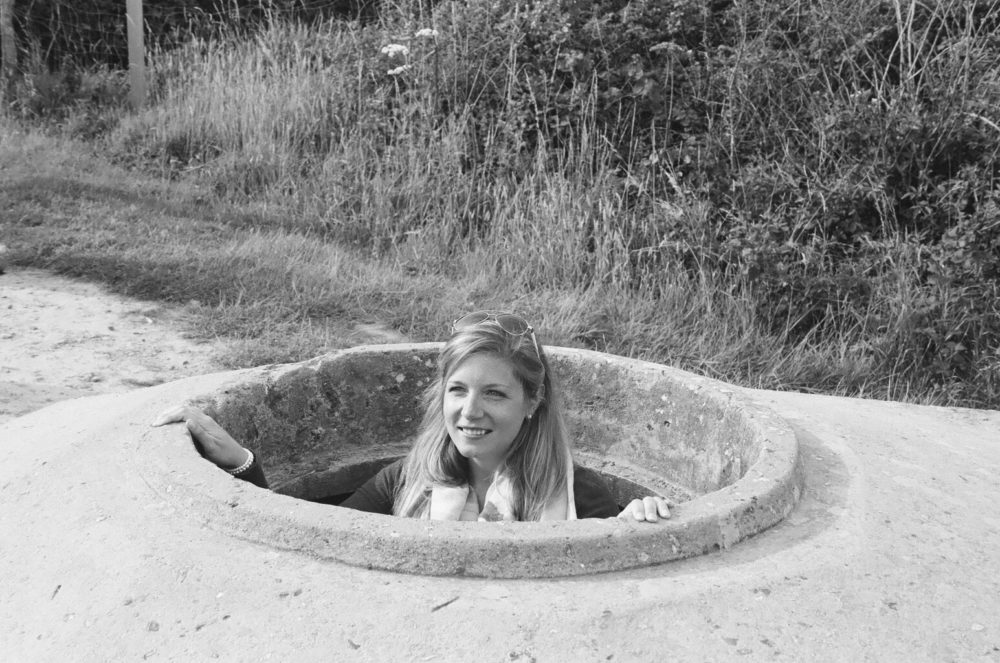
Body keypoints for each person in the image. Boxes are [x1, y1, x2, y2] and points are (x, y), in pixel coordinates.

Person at [154, 311, 671, 522]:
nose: (470, 412)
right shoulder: (408, 478)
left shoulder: (581, 494)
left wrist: (634, 528)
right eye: (458, 390)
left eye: (494, 393)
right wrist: (241, 462)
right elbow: (313, 534)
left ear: (532, 403)